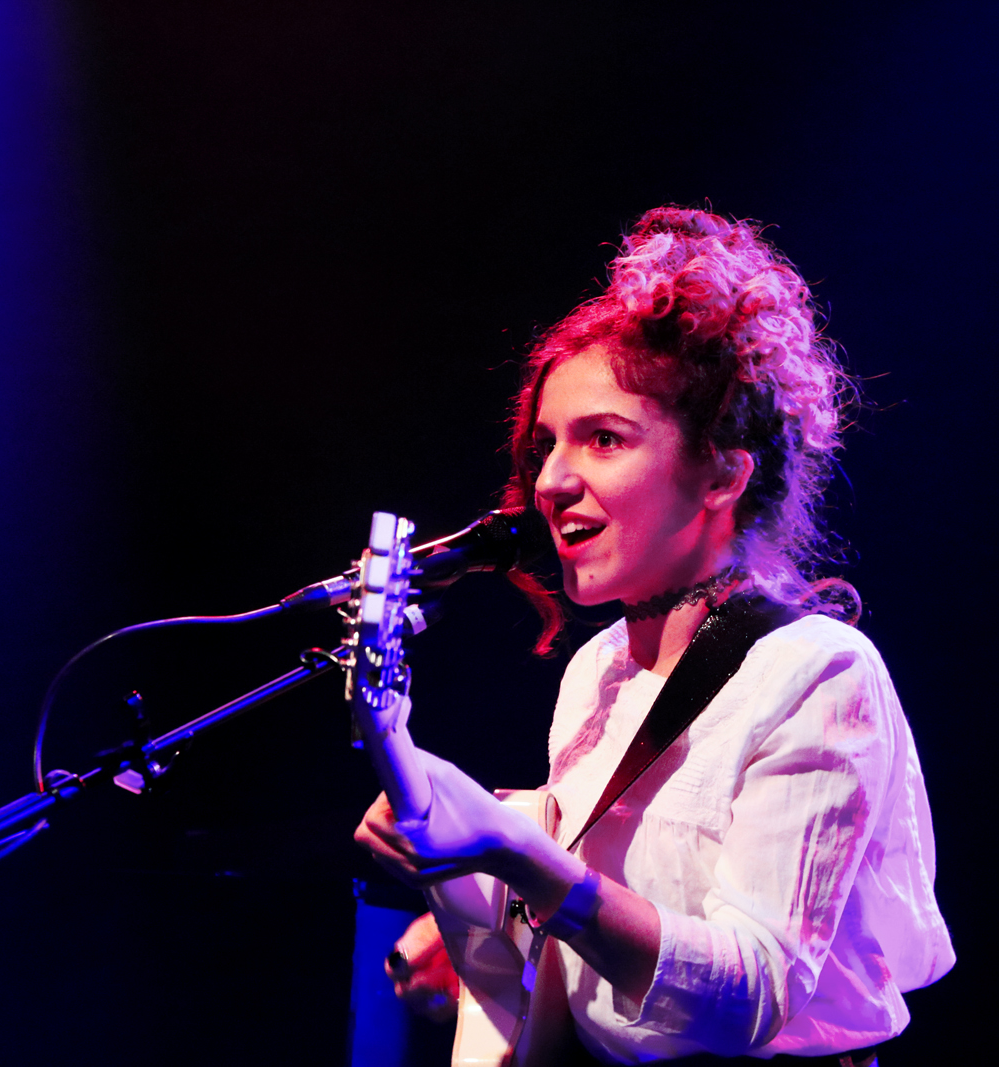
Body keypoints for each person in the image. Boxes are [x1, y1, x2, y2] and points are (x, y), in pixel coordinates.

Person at [355, 206, 954, 1065]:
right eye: (545, 446)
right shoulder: (597, 669)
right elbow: (619, 920)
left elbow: (748, 996)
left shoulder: (817, 673)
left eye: (603, 439)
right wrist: (475, 906)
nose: (550, 480)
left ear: (721, 472)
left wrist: (521, 857)